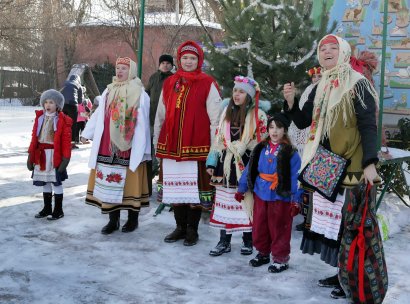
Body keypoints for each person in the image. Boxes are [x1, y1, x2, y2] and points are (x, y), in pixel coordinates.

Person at [283, 34, 379, 299]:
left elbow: (368, 125)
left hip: (351, 166)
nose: (326, 51)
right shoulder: (320, 86)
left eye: (332, 47)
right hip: (326, 167)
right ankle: (341, 274)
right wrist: (291, 102)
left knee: (348, 226)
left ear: (344, 52)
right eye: (322, 48)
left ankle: (350, 277)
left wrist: (370, 162)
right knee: (335, 227)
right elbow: (303, 123)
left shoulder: (358, 84)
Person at [154, 40, 222, 246]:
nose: (189, 61)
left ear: (199, 60)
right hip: (171, 147)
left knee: (194, 191)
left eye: (193, 58)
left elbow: (216, 119)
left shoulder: (207, 83)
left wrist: (213, 151)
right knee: (176, 190)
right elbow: (160, 114)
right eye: (185, 58)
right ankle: (179, 227)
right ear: (179, 59)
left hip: (197, 147)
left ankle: (192, 229)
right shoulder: (169, 83)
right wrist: (158, 142)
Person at [81, 57, 151, 235]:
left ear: (131, 72)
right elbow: (98, 115)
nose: (119, 71)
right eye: (118, 68)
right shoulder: (108, 90)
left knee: (129, 182)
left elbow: (142, 122)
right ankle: (113, 220)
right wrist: (86, 133)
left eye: (124, 69)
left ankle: (132, 220)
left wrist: (142, 147)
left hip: (129, 145)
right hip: (107, 145)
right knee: (110, 183)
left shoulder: (140, 93)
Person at [206, 75, 268, 256]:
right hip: (225, 163)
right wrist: (212, 160)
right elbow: (218, 138)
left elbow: (262, 140)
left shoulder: (258, 114)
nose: (237, 95)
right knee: (225, 201)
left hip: (246, 161)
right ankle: (224, 241)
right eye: (235, 91)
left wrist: (244, 148)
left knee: (245, 201)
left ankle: (248, 240)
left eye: (241, 91)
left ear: (248, 95)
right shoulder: (226, 112)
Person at [236, 113, 301, 273]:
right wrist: (241, 187)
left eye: (279, 127)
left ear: (284, 130)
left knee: (279, 227)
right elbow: (250, 169)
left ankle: (280, 258)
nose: (274, 131)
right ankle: (263, 252)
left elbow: (296, 177)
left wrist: (295, 199)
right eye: (271, 127)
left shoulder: (290, 152)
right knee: (260, 225)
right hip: (261, 192)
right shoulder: (260, 148)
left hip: (280, 195)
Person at [27, 89, 72, 220]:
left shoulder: (63, 120)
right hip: (41, 154)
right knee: (45, 182)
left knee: (56, 183)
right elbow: (34, 138)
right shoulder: (40, 118)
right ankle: (47, 208)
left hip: (54, 155)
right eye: (46, 102)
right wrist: (30, 155)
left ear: (58, 105)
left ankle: (58, 210)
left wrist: (66, 158)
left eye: (51, 102)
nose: (48, 105)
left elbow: (66, 141)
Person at [287, 66, 321, 232]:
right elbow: (301, 118)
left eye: (319, 75)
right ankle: (307, 219)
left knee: (316, 185)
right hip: (306, 142)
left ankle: (316, 221)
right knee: (305, 183)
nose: (316, 79)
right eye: (314, 76)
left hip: (319, 143)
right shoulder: (309, 90)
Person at [145, 54, 174, 195]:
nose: (165, 65)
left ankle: (165, 183)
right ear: (159, 64)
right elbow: (146, 94)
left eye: (168, 63)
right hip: (151, 120)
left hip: (166, 121)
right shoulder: (153, 78)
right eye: (163, 63)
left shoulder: (174, 79)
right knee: (150, 151)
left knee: (163, 151)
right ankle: (147, 185)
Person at [61, 74, 83, 149]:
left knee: (63, 123)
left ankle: (61, 141)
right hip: (73, 105)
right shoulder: (78, 85)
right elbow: (80, 101)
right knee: (73, 125)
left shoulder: (65, 83)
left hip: (63, 105)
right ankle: (72, 143)